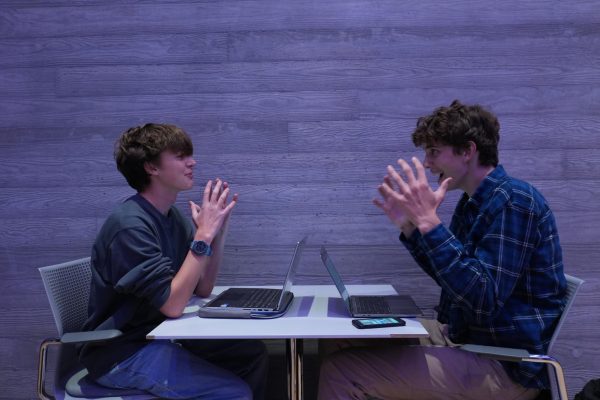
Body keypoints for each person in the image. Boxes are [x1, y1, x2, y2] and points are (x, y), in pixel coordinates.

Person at [317, 100, 567, 400]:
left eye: (434, 152)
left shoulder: (514, 201)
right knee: (342, 338)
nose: (426, 163)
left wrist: (430, 224)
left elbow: (482, 299)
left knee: (341, 372)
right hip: (466, 338)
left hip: (504, 363)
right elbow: (455, 278)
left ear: (467, 151)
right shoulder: (472, 203)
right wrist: (412, 228)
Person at [79, 123, 268, 400]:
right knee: (234, 393)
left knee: (252, 354)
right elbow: (173, 304)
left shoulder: (172, 218)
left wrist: (217, 232)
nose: (193, 162)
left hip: (158, 337)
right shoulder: (130, 226)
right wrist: (203, 235)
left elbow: (201, 288)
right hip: (122, 352)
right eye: (180, 156)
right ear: (151, 168)